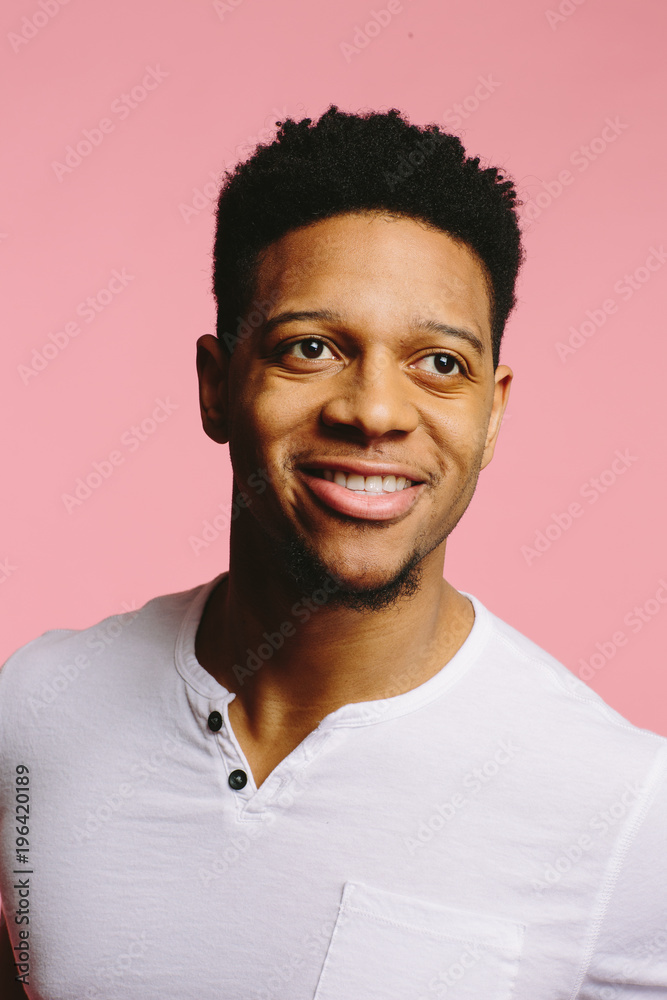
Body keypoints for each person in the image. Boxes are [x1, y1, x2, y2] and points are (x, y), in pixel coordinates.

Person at [1, 105, 665, 999]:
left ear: (492, 413)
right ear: (216, 386)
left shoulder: (623, 809)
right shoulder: (37, 709)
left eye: (440, 363)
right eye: (310, 348)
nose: (374, 411)